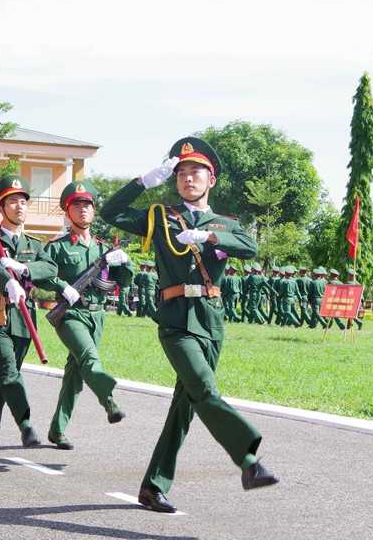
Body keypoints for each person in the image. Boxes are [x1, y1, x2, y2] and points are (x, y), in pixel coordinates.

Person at [100, 136, 278, 514]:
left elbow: (249, 247)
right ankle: (248, 462)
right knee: (205, 389)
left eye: (195, 171)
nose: (187, 177)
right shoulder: (159, 216)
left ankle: (152, 487)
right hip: (177, 321)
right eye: (180, 172)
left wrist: (209, 235)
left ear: (210, 179)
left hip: (210, 322)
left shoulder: (226, 224)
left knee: (186, 405)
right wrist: (142, 183)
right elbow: (110, 213)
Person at [38, 180, 134, 450]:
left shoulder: (103, 248)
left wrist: (126, 261)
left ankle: (57, 430)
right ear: (68, 213)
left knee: (75, 374)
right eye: (76, 206)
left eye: (87, 205)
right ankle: (110, 402)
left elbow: (124, 281)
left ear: (93, 212)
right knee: (90, 359)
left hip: (97, 316)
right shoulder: (56, 247)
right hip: (69, 315)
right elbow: (43, 275)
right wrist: (61, 287)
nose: (83, 210)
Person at [0, 175, 58, 454]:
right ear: (1, 207)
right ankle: (26, 425)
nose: (19, 207)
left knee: (5, 378)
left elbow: (50, 270)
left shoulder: (35, 243)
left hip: (25, 318)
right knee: (9, 369)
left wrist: (23, 269)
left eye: (23, 201)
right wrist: (7, 280)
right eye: (12, 202)